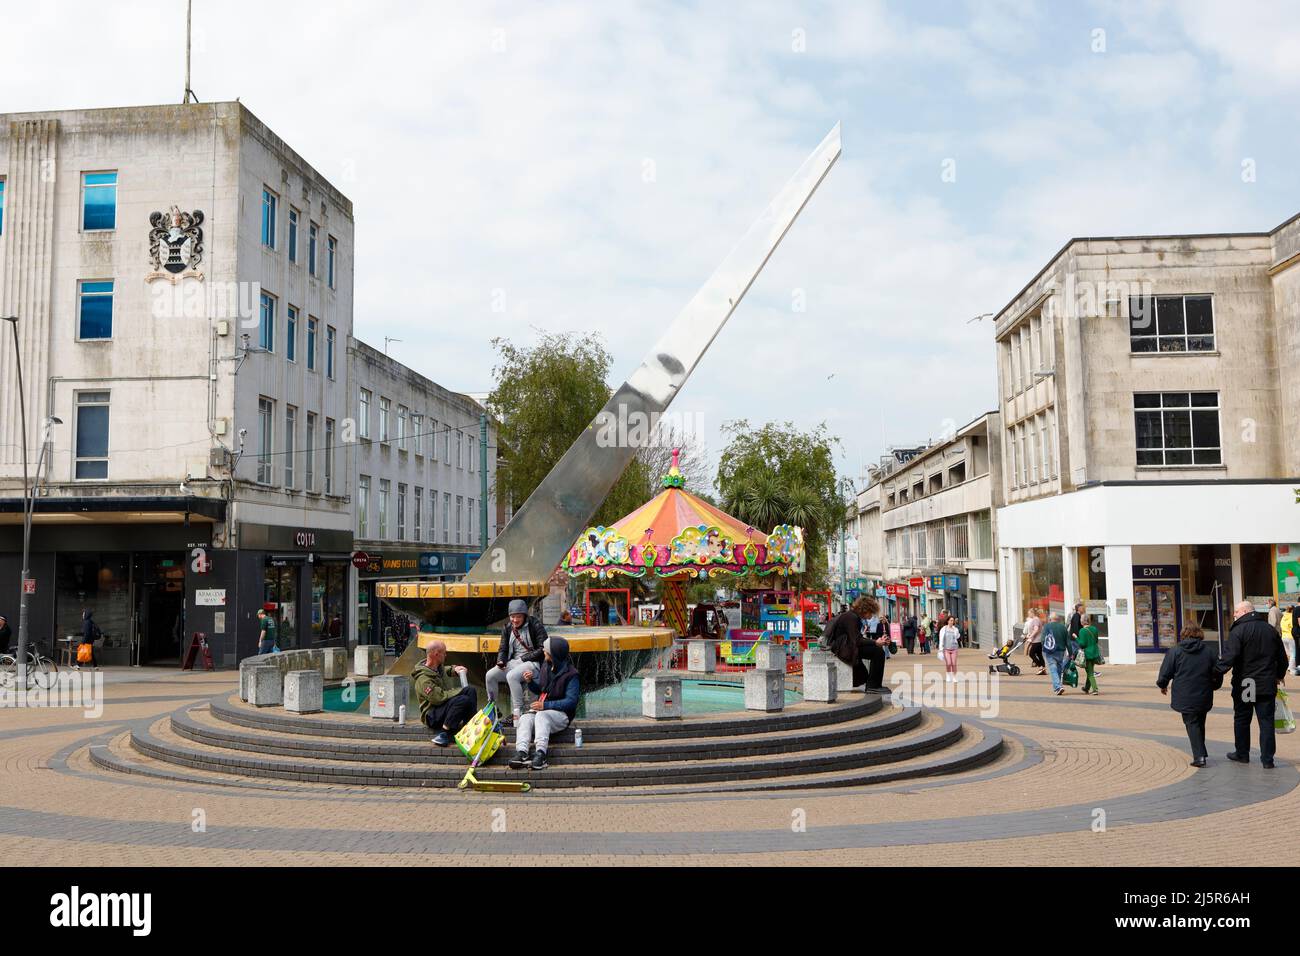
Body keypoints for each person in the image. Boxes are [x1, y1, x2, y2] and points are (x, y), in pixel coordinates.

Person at [1217, 600, 1289, 769]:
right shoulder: (1270, 630)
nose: (1234, 614)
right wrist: (1279, 675)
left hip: (1246, 684)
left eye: (1236, 612)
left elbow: (1230, 657)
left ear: (1244, 612)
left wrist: (1213, 673)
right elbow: (1282, 659)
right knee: (1266, 722)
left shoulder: (1238, 630)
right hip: (1266, 683)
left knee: (1242, 719)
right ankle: (1267, 760)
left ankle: (1242, 754)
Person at [1157, 624, 1224, 767]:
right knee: (1199, 722)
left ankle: (1199, 756)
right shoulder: (1209, 651)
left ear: (1183, 634)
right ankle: (1201, 752)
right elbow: (1218, 671)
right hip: (1204, 692)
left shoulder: (1175, 651)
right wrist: (1214, 686)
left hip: (1184, 693)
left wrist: (1162, 684)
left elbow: (1166, 671)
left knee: (1192, 723)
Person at [508, 637, 579, 771]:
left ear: (554, 654)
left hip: (562, 716)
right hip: (544, 712)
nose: (543, 652)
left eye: (546, 650)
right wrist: (530, 682)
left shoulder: (572, 674)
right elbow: (541, 689)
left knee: (542, 716)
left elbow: (571, 702)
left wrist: (545, 706)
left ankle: (541, 754)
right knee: (524, 718)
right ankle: (522, 752)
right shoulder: (546, 666)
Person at [485, 599, 549, 727]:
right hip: (513, 663)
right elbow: (503, 648)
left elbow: (543, 648)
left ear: (525, 615)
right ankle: (492, 708)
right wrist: (501, 661)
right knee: (490, 675)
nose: (515, 620)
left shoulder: (535, 625)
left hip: (532, 663)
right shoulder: (507, 628)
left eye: (518, 617)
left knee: (512, 676)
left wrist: (522, 660)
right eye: (512, 617)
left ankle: (517, 712)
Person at [412, 640, 477, 746]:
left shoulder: (435, 667)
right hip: (432, 715)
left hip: (440, 708)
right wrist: (458, 691)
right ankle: (444, 734)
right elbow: (438, 698)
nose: (446, 655)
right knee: (463, 700)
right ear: (436, 654)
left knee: (470, 690)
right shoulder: (423, 679)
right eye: (444, 652)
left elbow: (443, 670)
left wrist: (454, 669)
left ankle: (469, 727)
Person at [825, 596, 890, 692]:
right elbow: (857, 640)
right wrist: (875, 642)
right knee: (878, 652)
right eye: (870, 613)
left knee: (877, 651)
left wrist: (876, 642)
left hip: (845, 646)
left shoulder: (852, 616)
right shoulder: (852, 617)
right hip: (843, 648)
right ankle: (873, 686)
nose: (871, 616)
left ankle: (874, 685)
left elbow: (856, 638)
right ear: (865, 610)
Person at [1041, 611, 1070, 695]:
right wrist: (1071, 652)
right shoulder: (1063, 627)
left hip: (1050, 651)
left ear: (1050, 619)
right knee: (1059, 667)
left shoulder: (1047, 626)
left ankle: (1058, 686)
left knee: (1053, 668)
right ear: (1058, 619)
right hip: (1061, 650)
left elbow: (1043, 639)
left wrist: (1044, 647)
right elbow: (1067, 641)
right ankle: (1058, 685)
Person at [1075, 614, 1101, 695]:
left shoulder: (1082, 631)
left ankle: (1095, 689)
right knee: (1090, 670)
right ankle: (1086, 688)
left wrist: (1076, 637)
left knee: (1090, 673)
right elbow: (1096, 640)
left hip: (1087, 654)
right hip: (1095, 652)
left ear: (1082, 621)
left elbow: (1082, 644)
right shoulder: (1094, 629)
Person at [938, 614, 960, 683]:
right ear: (947, 621)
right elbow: (941, 639)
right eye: (950, 620)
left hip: (954, 649)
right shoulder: (944, 629)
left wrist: (957, 634)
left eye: (953, 621)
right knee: (948, 663)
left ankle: (954, 677)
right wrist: (940, 649)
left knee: (953, 663)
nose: (952, 622)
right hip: (946, 649)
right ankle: (948, 675)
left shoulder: (955, 629)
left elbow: (957, 636)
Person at [1022, 608, 1045, 674]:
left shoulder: (1035, 620)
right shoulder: (1036, 619)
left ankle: (1040, 667)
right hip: (1038, 640)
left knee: (1031, 654)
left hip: (1037, 640)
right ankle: (1043, 669)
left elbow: (1036, 629)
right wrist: (1028, 636)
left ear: (1032, 613)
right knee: (1039, 655)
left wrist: (1030, 636)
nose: (1028, 614)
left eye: (1029, 613)